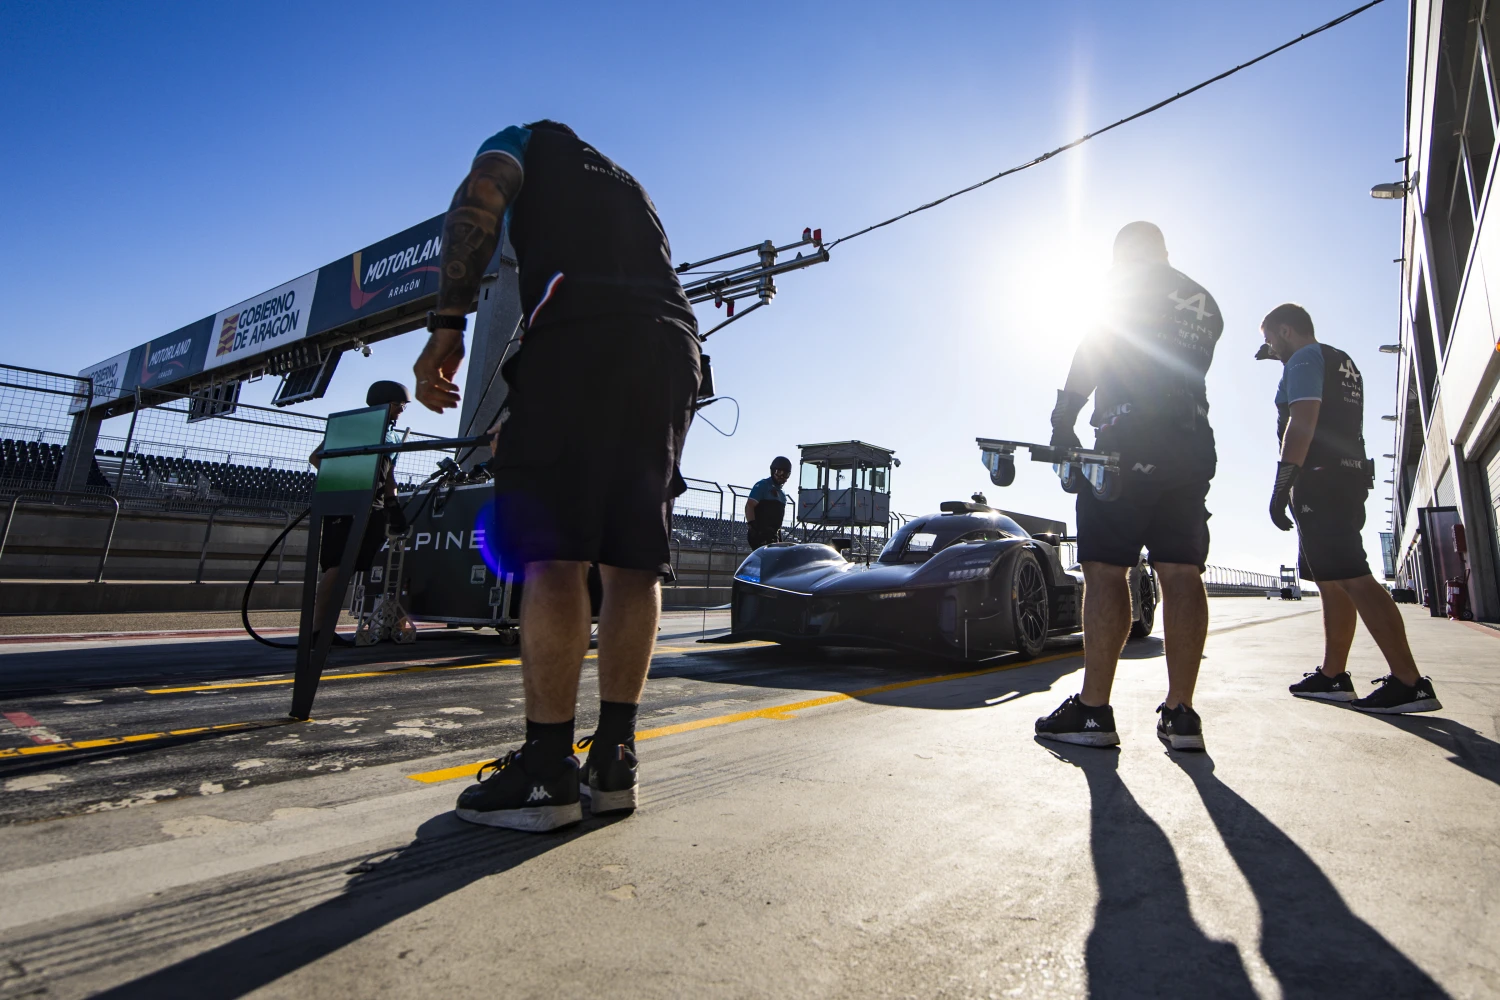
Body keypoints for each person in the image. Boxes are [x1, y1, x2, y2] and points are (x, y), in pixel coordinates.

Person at [412, 120, 700, 832]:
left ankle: (546, 772)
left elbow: (480, 195)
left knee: (552, 551)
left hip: (580, 335)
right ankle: (614, 760)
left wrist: (446, 325)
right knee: (633, 560)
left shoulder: (525, 139)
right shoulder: (634, 191)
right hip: (672, 346)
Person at [1034, 221, 1222, 751]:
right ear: (1166, 250)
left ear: (1122, 256)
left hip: (1124, 441)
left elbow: (1094, 349)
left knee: (1106, 569)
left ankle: (1094, 712)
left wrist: (1062, 419)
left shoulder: (1122, 287)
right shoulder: (1204, 301)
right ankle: (1182, 715)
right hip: (1189, 445)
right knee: (1182, 572)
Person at [1260, 303, 1441, 713]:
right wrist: (1278, 359)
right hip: (1344, 475)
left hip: (1320, 479)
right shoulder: (1339, 360)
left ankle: (1409, 682)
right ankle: (1333, 675)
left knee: (1355, 577)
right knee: (1331, 579)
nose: (1268, 347)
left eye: (1270, 339)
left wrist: (1281, 484)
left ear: (1286, 330)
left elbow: (1302, 422)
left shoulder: (1304, 359)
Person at [307, 380, 411, 645]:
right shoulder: (355, 425)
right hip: (346, 504)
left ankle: (325, 630)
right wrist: (345, 482)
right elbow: (317, 458)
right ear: (388, 403)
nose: (401, 412)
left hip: (372, 507)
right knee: (337, 566)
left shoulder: (393, 435)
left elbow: (390, 477)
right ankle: (316, 630)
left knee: (351, 567)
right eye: (399, 406)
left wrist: (393, 505)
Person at [745, 456, 792, 548]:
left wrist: (778, 537)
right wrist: (754, 528)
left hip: (773, 536)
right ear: (772, 471)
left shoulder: (782, 495)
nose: (782, 476)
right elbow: (750, 506)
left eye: (785, 474)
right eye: (779, 472)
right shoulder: (763, 485)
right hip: (759, 534)